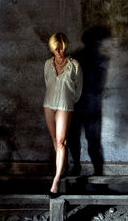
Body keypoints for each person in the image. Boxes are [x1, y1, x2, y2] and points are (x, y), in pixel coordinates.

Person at [43, 33, 83, 197]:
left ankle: (56, 180)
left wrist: (66, 102)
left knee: (61, 142)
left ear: (65, 46)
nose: (59, 52)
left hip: (65, 106)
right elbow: (47, 83)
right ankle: (63, 167)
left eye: (61, 48)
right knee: (55, 140)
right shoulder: (47, 64)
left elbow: (78, 91)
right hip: (48, 104)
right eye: (55, 49)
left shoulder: (74, 65)